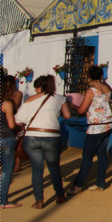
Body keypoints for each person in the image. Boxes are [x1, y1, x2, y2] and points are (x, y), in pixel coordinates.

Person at [15, 75, 71, 208]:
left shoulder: (30, 100)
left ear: (39, 87)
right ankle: (60, 195)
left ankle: (39, 201)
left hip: (32, 136)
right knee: (54, 167)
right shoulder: (59, 98)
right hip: (52, 136)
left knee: (36, 169)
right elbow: (67, 115)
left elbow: (19, 119)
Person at [67, 66, 112, 194]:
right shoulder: (107, 88)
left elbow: (81, 110)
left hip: (96, 127)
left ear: (89, 77)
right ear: (101, 76)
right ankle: (100, 182)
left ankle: (78, 184)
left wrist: (72, 106)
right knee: (102, 154)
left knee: (87, 156)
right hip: (109, 124)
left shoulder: (91, 91)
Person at [0, 75, 21, 208]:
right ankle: (2, 201)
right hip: (7, 137)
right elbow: (12, 125)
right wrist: (20, 127)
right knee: (7, 170)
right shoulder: (7, 103)